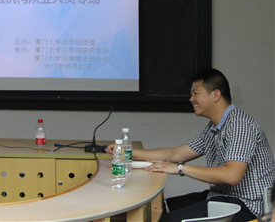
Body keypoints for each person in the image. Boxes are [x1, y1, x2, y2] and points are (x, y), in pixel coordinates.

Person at [107, 68, 275, 222]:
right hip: (221, 197)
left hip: (247, 206)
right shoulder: (215, 127)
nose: (191, 99)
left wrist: (180, 168)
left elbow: (232, 176)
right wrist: (126, 151)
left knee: (166, 220)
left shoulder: (239, 125)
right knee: (160, 209)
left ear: (216, 95)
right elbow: (175, 154)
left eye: (195, 93)